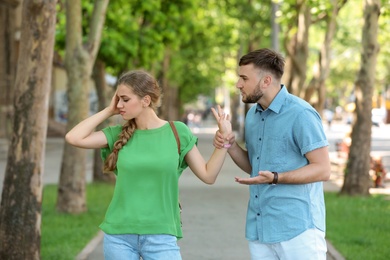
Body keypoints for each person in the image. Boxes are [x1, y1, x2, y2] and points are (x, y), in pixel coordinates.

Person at [65, 70, 232, 260]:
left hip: (161, 236)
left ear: (145, 100)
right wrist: (109, 110)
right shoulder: (117, 134)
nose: (119, 104)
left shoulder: (177, 132)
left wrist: (225, 140)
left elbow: (208, 175)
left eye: (125, 100)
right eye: (117, 99)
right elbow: (73, 137)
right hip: (119, 236)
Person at [214, 48, 331, 259]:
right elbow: (255, 166)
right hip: (260, 229)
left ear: (266, 81)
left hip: (298, 230)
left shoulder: (301, 114)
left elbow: (323, 169)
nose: (238, 84)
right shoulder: (253, 116)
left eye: (243, 78)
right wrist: (229, 144)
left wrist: (277, 178)